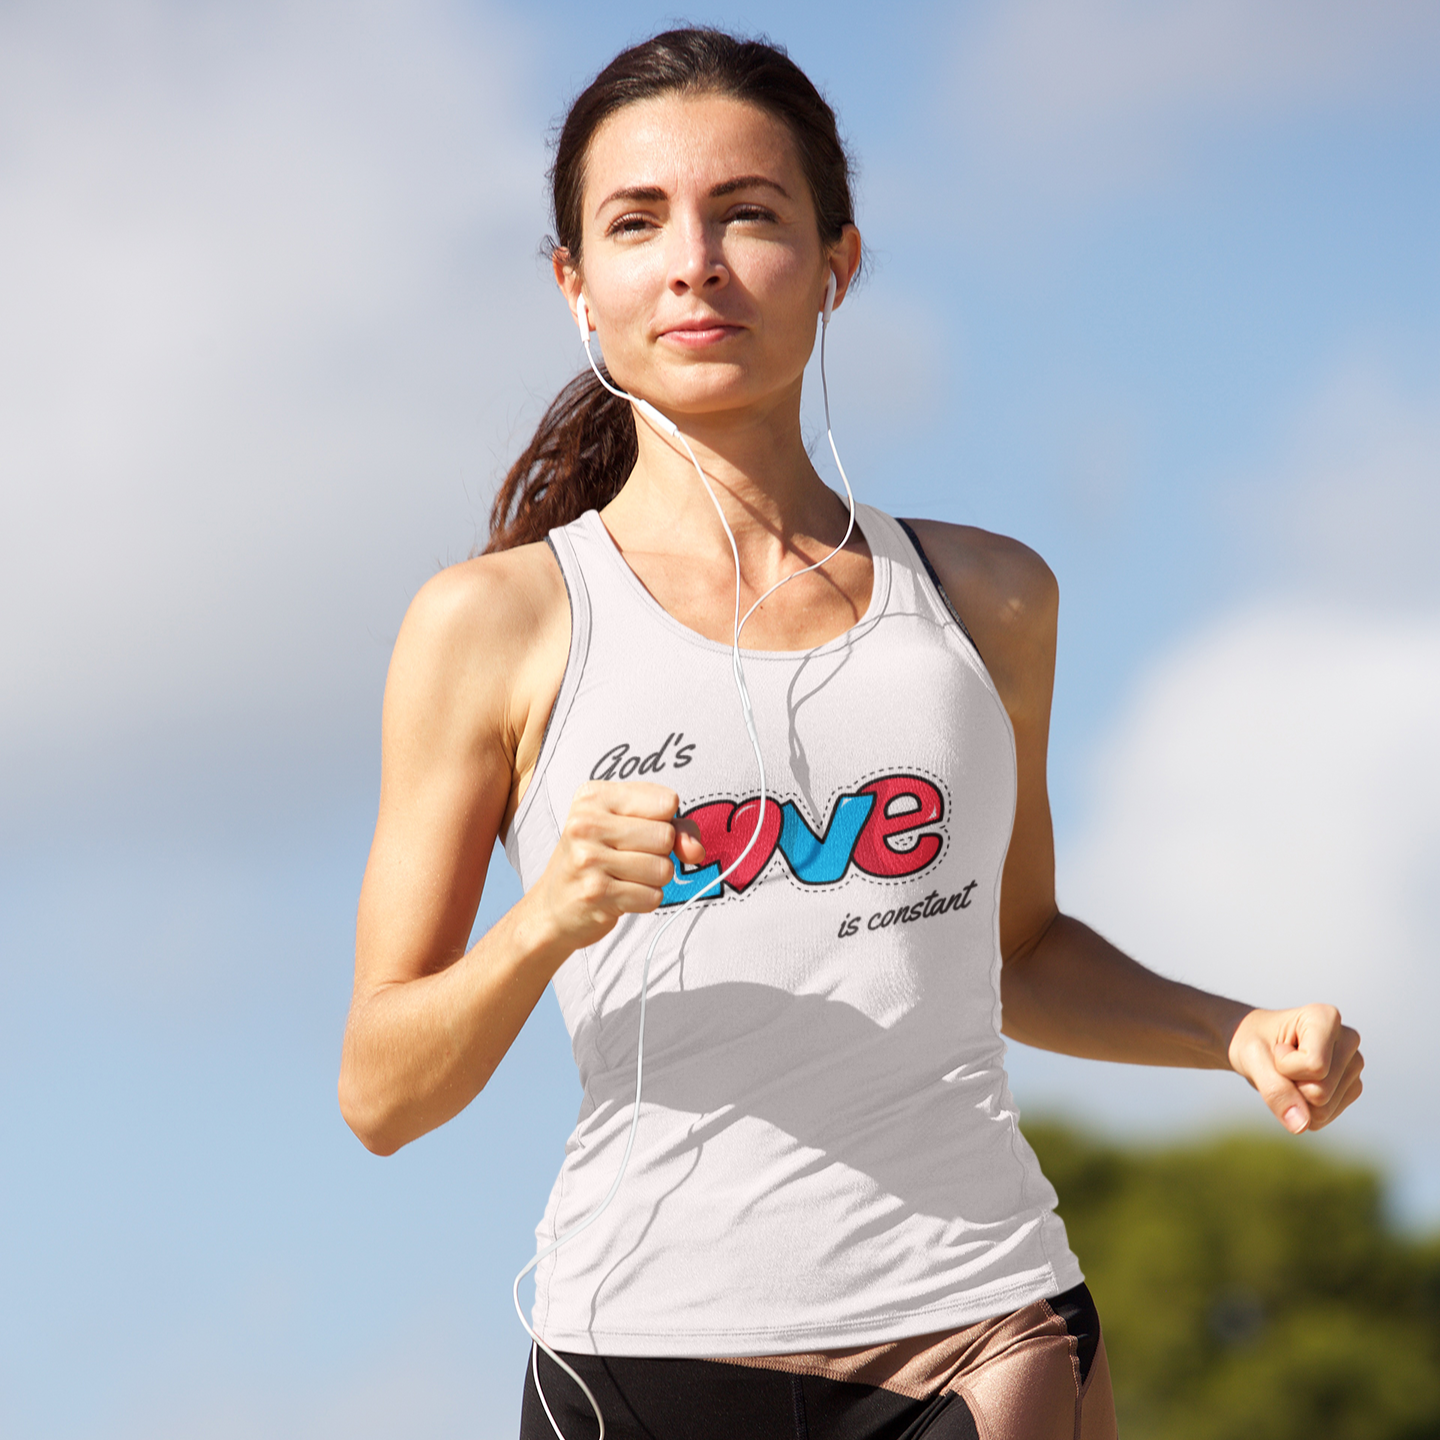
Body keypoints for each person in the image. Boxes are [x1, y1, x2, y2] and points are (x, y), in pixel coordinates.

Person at [338, 28, 1363, 1440]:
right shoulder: (495, 625)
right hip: (637, 1358)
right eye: (636, 223)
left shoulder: (989, 601)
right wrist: (546, 920)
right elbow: (381, 1093)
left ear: (838, 261)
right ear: (574, 283)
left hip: (982, 1328)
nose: (693, 263)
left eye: (747, 214)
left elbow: (1014, 952)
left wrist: (1229, 1032)